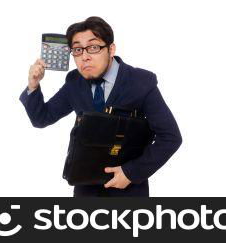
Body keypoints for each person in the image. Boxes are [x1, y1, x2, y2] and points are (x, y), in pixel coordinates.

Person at [20, 16, 182, 197]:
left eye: (94, 47)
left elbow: (170, 137)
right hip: (85, 189)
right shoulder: (75, 82)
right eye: (77, 50)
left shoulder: (141, 82)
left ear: (111, 49)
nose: (85, 57)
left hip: (129, 191)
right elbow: (41, 118)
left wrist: (131, 172)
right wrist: (33, 85)